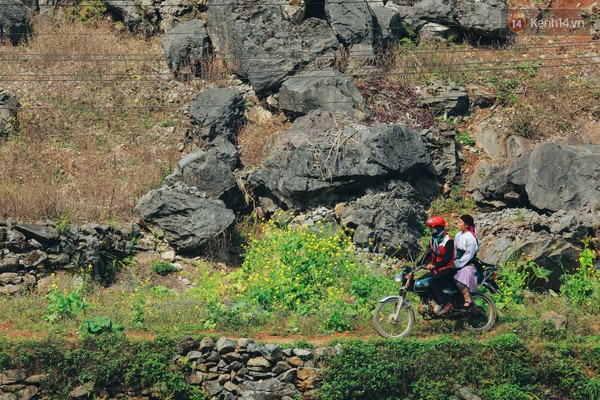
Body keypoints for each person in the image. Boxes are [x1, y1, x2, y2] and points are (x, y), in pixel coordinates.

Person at [423, 216, 456, 315]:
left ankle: (445, 303)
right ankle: (430, 304)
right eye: (430, 228)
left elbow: (447, 259)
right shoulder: (433, 240)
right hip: (438, 269)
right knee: (421, 281)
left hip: (448, 269)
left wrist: (434, 266)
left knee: (433, 282)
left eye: (432, 228)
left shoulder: (448, 241)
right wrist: (419, 264)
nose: (431, 231)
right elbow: (428, 254)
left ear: (439, 228)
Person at [453, 215, 479, 309]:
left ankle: (468, 299)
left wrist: (456, 264)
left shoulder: (470, 238)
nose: (458, 224)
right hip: (457, 261)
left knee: (458, 278)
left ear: (466, 225)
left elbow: (469, 255)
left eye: (460, 222)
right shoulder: (458, 235)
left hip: (468, 264)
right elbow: (455, 250)